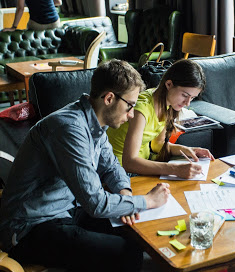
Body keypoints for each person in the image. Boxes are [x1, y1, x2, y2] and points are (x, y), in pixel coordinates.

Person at [0, 59, 170, 272]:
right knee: (126, 252)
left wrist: (126, 194)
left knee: (137, 234)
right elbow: (96, 203)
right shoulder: (69, 128)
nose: (132, 114)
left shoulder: (95, 123)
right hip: (30, 226)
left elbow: (111, 167)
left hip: (67, 209)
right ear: (109, 98)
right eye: (130, 105)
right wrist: (147, 201)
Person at [107, 59, 214, 179]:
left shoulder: (167, 104)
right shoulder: (141, 110)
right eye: (185, 95)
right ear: (169, 84)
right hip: (118, 171)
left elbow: (157, 144)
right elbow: (129, 162)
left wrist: (190, 150)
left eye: (192, 98)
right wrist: (176, 169)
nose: (187, 103)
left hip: (142, 165)